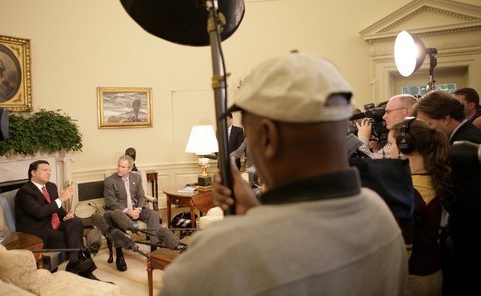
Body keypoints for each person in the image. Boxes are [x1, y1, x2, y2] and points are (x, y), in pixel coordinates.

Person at [159, 51, 407, 296]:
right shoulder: (382, 216)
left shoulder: (219, 257)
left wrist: (240, 230)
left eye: (250, 133)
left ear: (268, 136)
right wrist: (253, 212)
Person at [413, 90, 481, 295]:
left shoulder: (465, 144)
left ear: (445, 118)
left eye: (428, 125)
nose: (426, 132)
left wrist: (453, 228)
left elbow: (471, 202)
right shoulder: (460, 138)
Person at [388, 118, 454, 295]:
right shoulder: (434, 179)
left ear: (404, 147)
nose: (389, 151)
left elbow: (402, 251)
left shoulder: (408, 191)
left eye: (390, 144)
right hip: (432, 272)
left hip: (412, 280)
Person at [15, 160, 100, 280]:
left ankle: (74, 265)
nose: (48, 173)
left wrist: (66, 215)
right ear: (33, 173)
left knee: (75, 222)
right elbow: (39, 213)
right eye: (45, 170)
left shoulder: (51, 186)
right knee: (74, 243)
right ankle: (85, 273)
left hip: (54, 226)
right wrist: (61, 199)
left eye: (50, 170)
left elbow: (58, 210)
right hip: (39, 231)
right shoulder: (25, 192)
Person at [103, 155, 161, 271]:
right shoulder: (110, 181)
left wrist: (138, 209)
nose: (119, 169)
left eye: (123, 167)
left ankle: (154, 251)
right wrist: (128, 211)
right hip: (121, 211)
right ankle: (119, 254)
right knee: (116, 218)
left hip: (136, 209)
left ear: (130, 169)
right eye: (119, 166)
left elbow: (141, 196)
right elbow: (111, 202)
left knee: (153, 215)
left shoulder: (136, 178)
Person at [356, 94, 417, 159]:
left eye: (388, 112)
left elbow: (376, 166)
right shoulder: (407, 131)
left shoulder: (409, 136)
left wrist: (363, 139)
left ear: (405, 111)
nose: (384, 117)